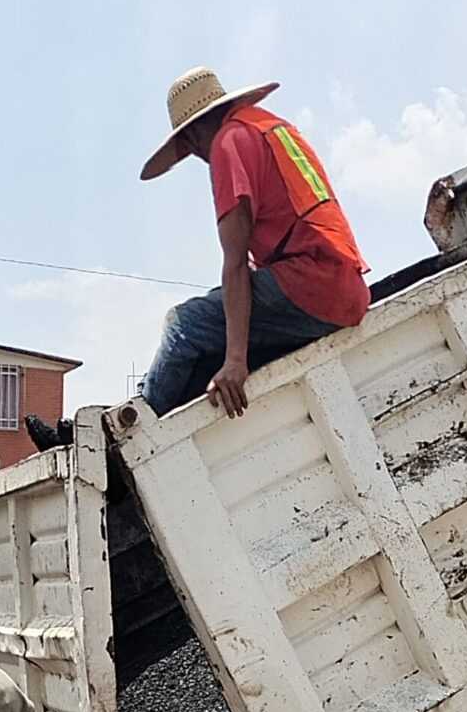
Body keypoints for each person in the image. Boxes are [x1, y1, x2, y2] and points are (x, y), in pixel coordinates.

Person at [26, 67, 369, 450]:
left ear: (192, 133)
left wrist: (236, 359)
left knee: (184, 325)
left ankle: (119, 439)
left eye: (190, 148)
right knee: (214, 330)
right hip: (342, 284)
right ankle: (129, 414)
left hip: (310, 285)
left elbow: (235, 262)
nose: (198, 157)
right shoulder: (269, 128)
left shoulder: (228, 143)